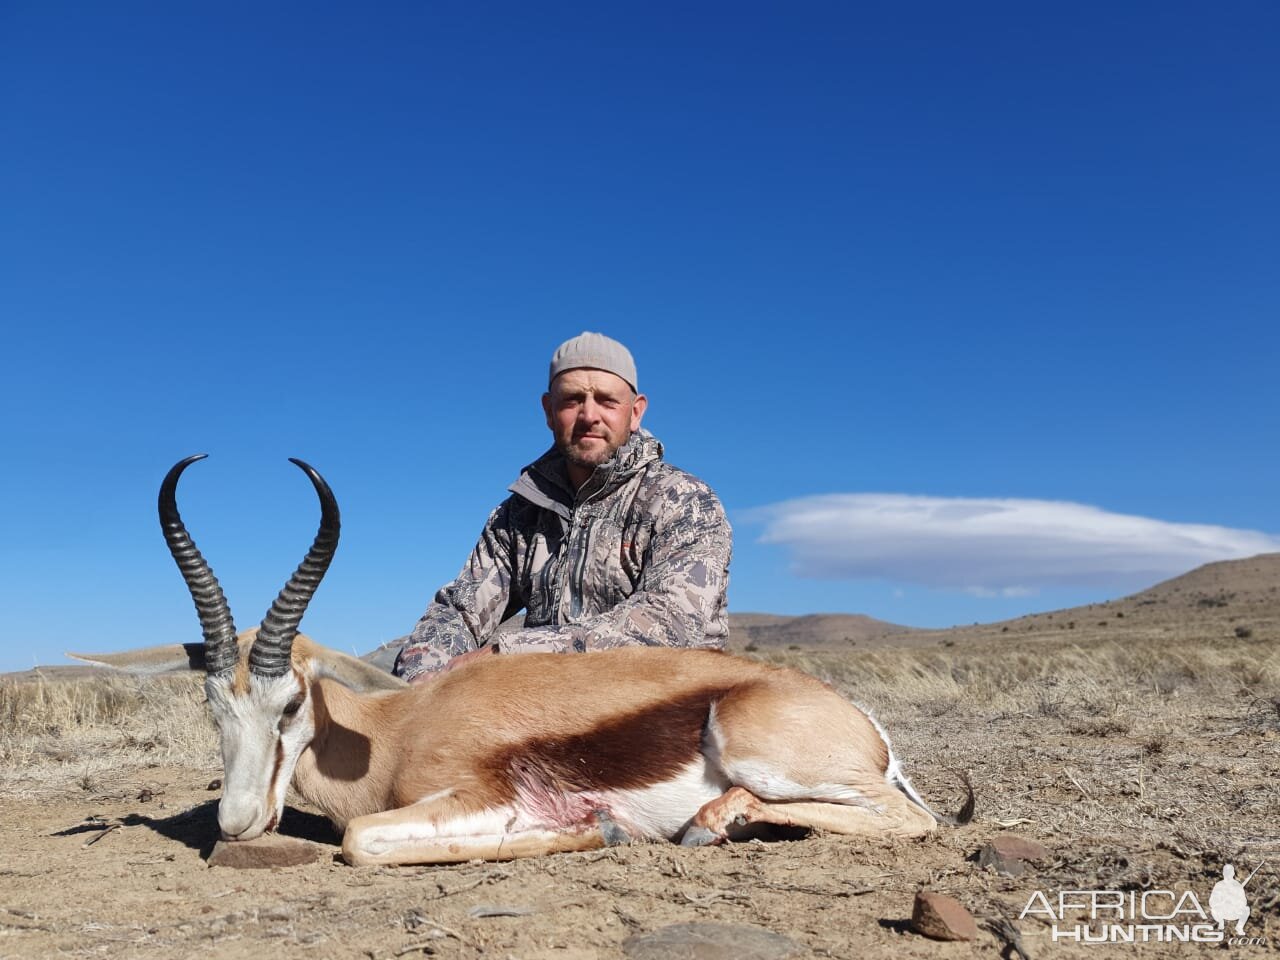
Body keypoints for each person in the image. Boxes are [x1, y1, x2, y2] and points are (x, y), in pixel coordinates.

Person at [391, 332, 732, 683]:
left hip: (667, 708)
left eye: (606, 401)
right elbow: (459, 611)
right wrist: (424, 681)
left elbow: (669, 623)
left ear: (635, 412)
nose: (589, 415)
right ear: (549, 412)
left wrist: (507, 655)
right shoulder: (518, 516)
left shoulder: (686, 502)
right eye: (572, 400)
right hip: (548, 710)